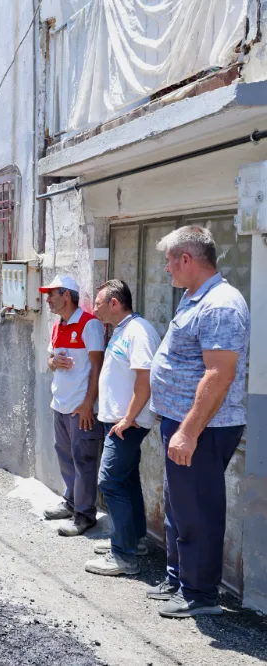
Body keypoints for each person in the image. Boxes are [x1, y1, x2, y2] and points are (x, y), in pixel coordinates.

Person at [147, 226, 249, 619]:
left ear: (186, 259)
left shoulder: (220, 304)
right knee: (179, 504)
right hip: (183, 421)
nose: (166, 269)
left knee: (198, 509)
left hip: (203, 427)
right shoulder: (194, 297)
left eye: (170, 261)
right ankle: (179, 578)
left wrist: (188, 431)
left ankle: (200, 595)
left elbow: (218, 375)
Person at [83, 280, 160, 577]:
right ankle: (133, 540)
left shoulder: (138, 332)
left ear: (115, 303)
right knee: (126, 481)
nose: (95, 309)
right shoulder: (123, 330)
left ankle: (123, 556)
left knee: (110, 482)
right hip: (119, 421)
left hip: (127, 423)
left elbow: (145, 379)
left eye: (99, 303)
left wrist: (128, 418)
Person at [41, 275, 105, 537]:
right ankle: (71, 502)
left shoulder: (90, 324)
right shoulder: (58, 325)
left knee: (84, 460)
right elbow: (50, 360)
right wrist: (54, 363)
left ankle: (85, 515)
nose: (47, 300)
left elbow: (98, 367)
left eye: (51, 294)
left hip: (81, 408)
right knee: (65, 457)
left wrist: (89, 403)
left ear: (66, 295)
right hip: (61, 404)